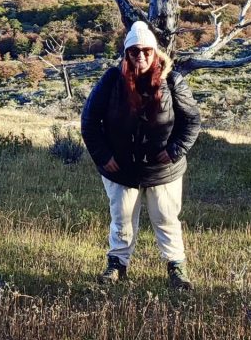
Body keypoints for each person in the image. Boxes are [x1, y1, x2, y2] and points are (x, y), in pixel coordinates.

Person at [80, 20, 201, 289]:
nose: (141, 56)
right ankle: (117, 265)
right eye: (134, 51)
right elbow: (89, 121)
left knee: (166, 218)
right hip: (121, 168)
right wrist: (103, 156)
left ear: (155, 52)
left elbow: (192, 120)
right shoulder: (112, 80)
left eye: (146, 50)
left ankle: (176, 269)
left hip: (163, 169)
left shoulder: (172, 81)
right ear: (126, 53)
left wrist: (174, 150)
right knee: (122, 219)